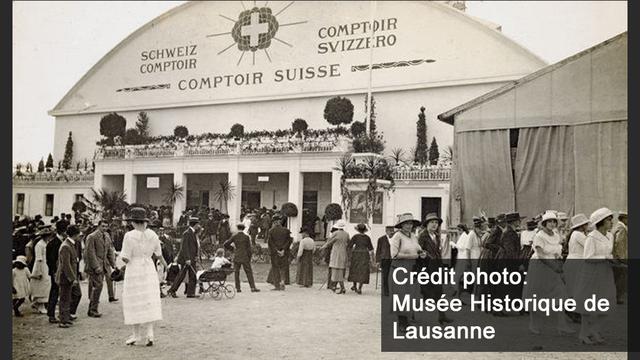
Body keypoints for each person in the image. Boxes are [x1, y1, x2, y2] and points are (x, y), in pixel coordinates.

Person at [120, 207, 167, 346]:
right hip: (148, 269)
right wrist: (165, 266)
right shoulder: (153, 235)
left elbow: (126, 257)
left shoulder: (129, 236)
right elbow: (159, 255)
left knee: (135, 300)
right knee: (148, 299)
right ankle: (150, 334)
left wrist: (121, 262)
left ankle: (136, 335)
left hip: (134, 270)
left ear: (133, 222)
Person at [522, 211, 574, 335]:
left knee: (559, 295)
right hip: (540, 268)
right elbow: (540, 255)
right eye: (549, 221)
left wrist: (558, 263)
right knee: (537, 296)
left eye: (554, 221)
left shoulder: (556, 235)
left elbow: (557, 252)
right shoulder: (539, 236)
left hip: (553, 268)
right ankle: (533, 325)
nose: (552, 224)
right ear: (544, 223)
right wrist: (553, 266)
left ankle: (562, 326)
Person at [574, 208, 617, 345]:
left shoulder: (610, 236)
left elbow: (609, 253)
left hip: (605, 272)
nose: (611, 222)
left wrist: (612, 260)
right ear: (601, 222)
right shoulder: (591, 237)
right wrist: (605, 257)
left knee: (606, 303)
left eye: (611, 219)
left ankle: (594, 330)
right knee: (588, 305)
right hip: (591, 273)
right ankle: (583, 334)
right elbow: (588, 257)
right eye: (608, 220)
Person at [389, 213, 423, 332]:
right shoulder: (397, 236)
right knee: (401, 296)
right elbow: (394, 255)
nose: (409, 226)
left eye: (410, 223)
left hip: (411, 269)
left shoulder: (413, 236)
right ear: (401, 225)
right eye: (406, 223)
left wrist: (421, 253)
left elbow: (417, 248)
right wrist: (414, 256)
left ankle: (407, 321)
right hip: (399, 269)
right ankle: (401, 323)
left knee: (410, 295)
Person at [419, 213, 454, 324]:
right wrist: (428, 257)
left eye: (436, 223)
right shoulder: (422, 236)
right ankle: (412, 316)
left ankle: (442, 316)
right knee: (426, 294)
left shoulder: (436, 236)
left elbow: (438, 253)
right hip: (426, 269)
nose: (434, 225)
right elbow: (419, 251)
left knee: (439, 292)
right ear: (427, 224)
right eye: (432, 222)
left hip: (436, 268)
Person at [84, 220, 117, 317]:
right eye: (102, 226)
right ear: (98, 226)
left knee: (99, 287)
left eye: (106, 226)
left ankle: (92, 309)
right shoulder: (91, 237)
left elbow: (110, 251)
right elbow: (90, 253)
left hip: (104, 265)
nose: (104, 228)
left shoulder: (107, 236)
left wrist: (113, 264)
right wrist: (96, 266)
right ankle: (93, 309)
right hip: (95, 266)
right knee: (97, 286)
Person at [563, 213, 590, 324]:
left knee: (574, 287)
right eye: (586, 224)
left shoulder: (576, 234)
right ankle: (572, 311)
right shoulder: (578, 235)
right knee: (577, 287)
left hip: (575, 262)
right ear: (582, 225)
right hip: (577, 263)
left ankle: (574, 311)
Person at [56, 225, 83, 328]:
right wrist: (72, 278)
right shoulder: (66, 246)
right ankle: (63, 320)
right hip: (66, 277)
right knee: (64, 299)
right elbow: (66, 265)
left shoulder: (70, 244)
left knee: (73, 296)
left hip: (70, 276)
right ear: (75, 234)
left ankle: (66, 317)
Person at [167, 217, 200, 298]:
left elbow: (193, 247)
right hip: (187, 259)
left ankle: (190, 293)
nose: (198, 225)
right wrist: (187, 259)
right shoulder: (187, 233)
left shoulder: (192, 233)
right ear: (195, 224)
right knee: (182, 275)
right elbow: (184, 247)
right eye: (198, 224)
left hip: (191, 258)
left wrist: (195, 256)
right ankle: (172, 290)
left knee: (192, 275)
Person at [224, 224, 260, 293]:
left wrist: (233, 249)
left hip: (237, 256)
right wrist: (249, 257)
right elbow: (249, 249)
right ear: (243, 229)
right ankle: (252, 287)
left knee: (236, 273)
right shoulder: (246, 237)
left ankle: (238, 288)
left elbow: (226, 244)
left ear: (238, 228)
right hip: (245, 256)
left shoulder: (234, 236)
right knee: (249, 272)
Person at [320, 220, 350, 294]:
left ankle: (339, 287)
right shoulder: (346, 234)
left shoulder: (335, 233)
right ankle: (334, 286)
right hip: (343, 252)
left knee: (335, 269)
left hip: (336, 252)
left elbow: (329, 242)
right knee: (340, 269)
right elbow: (349, 243)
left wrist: (322, 247)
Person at [46, 221, 66, 323]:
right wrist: (54, 273)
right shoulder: (54, 243)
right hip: (55, 271)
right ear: (63, 231)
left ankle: (54, 313)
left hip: (58, 271)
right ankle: (51, 314)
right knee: (54, 292)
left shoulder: (59, 241)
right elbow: (51, 260)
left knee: (57, 292)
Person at [30, 227, 53, 314]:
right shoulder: (39, 245)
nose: (49, 237)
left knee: (46, 285)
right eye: (47, 235)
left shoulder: (45, 243)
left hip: (45, 265)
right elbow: (39, 258)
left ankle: (40, 303)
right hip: (40, 265)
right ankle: (39, 305)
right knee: (41, 285)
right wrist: (38, 271)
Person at [267, 215, 293, 291]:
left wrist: (276, 250)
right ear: (280, 221)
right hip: (284, 253)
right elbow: (289, 241)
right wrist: (283, 250)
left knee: (275, 268)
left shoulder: (271, 231)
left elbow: (270, 243)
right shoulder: (286, 230)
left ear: (274, 222)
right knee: (283, 268)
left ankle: (277, 285)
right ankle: (283, 281)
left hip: (275, 254)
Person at [347, 223, 374, 294]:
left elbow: (349, 246)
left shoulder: (355, 236)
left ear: (358, 230)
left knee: (355, 269)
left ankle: (354, 285)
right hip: (364, 254)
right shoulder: (367, 238)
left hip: (356, 254)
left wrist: (350, 254)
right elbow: (371, 248)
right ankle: (359, 288)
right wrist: (372, 258)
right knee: (363, 270)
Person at [612, 211, 627, 304]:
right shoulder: (622, 228)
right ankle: (618, 297)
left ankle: (616, 296)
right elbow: (619, 243)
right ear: (624, 218)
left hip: (616, 257)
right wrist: (622, 258)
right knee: (621, 277)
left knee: (617, 277)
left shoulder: (617, 227)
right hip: (621, 257)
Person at [376, 226, 394, 296]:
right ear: (386, 231)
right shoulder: (381, 239)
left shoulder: (396, 238)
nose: (391, 232)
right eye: (390, 230)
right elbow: (378, 250)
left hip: (394, 259)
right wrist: (377, 261)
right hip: (385, 259)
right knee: (385, 276)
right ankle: (386, 291)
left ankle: (393, 290)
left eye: (392, 230)